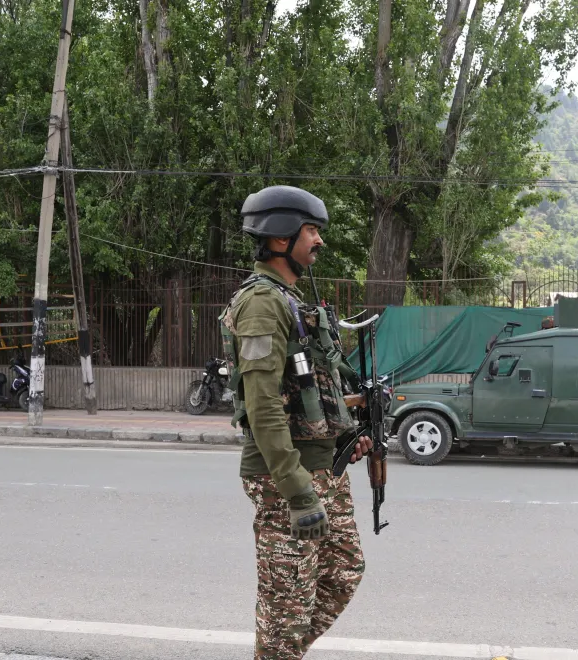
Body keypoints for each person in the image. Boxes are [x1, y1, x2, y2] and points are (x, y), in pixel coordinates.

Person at [218, 185, 373, 660]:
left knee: (343, 572)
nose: (319, 242)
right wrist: (297, 491)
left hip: (323, 467)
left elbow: (304, 390)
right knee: (288, 604)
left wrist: (348, 426)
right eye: (311, 231)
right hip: (286, 475)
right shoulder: (262, 303)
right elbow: (263, 405)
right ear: (281, 236)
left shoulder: (289, 299)